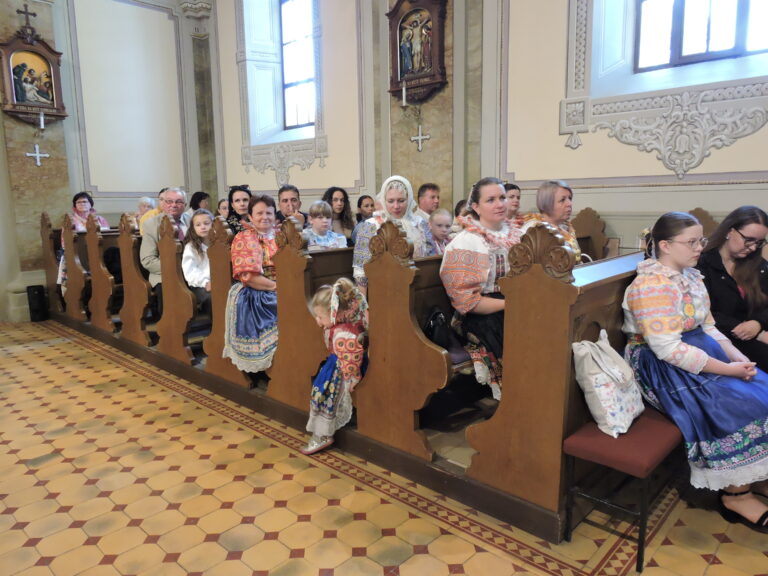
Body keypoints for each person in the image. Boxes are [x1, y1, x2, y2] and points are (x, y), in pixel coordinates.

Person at [623, 211, 768, 533]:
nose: (700, 248)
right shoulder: (650, 285)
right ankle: (736, 495)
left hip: (700, 349)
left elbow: (710, 327)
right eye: (691, 242)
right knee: (739, 404)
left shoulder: (691, 277)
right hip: (661, 366)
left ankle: (756, 476)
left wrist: (739, 359)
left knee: (762, 387)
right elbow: (667, 349)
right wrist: (727, 370)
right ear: (665, 245)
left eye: (701, 240)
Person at [440, 177, 521, 398]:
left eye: (502, 198)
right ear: (476, 207)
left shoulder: (517, 236)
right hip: (480, 315)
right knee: (517, 335)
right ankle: (515, 400)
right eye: (491, 200)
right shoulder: (466, 243)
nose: (500, 204)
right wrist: (511, 304)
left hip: (514, 303)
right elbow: (467, 302)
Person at [301, 277, 368, 455]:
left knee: (322, 394)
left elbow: (352, 360)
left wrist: (352, 378)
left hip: (342, 371)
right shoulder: (348, 321)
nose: (318, 321)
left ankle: (322, 434)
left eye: (320, 317)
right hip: (339, 364)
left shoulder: (343, 334)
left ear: (334, 313)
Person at [697, 206, 768, 372]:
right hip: (722, 336)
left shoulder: (759, 265)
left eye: (759, 242)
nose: (753, 247)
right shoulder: (703, 264)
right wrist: (755, 332)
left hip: (757, 330)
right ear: (730, 231)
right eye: (749, 240)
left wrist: (758, 323)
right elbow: (704, 312)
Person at [223, 194, 279, 372]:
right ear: (250, 217)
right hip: (257, 289)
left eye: (269, 213)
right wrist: (277, 287)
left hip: (284, 284)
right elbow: (248, 276)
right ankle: (276, 361)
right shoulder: (244, 238)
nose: (265, 217)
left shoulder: (282, 235)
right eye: (259, 213)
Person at [353, 175, 435, 296]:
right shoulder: (371, 226)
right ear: (383, 200)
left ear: (409, 199)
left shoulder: (420, 224)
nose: (396, 206)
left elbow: (429, 260)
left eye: (401, 200)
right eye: (391, 201)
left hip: (417, 288)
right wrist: (364, 303)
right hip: (382, 289)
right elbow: (361, 270)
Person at [140, 188, 188, 317]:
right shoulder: (151, 224)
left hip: (192, 273)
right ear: (163, 204)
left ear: (185, 204)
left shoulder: (193, 221)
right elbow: (148, 260)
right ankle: (168, 327)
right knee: (171, 302)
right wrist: (176, 269)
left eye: (179, 202)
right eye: (169, 201)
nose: (173, 205)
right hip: (164, 274)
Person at [57, 192, 111, 287]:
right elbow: (64, 241)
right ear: (75, 205)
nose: (82, 204)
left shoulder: (100, 219)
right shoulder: (70, 221)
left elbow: (108, 236)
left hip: (100, 250)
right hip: (78, 252)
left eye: (85, 201)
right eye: (79, 202)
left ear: (90, 204)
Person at [521, 180, 580, 258]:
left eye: (570, 198)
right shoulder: (534, 228)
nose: (569, 204)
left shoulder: (565, 227)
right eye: (562, 200)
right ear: (547, 203)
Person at [182, 209, 213, 315]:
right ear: (193, 228)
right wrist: (205, 282)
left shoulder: (219, 243)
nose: (203, 227)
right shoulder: (191, 247)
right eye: (198, 225)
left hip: (218, 282)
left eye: (206, 223)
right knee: (213, 298)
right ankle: (217, 323)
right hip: (200, 285)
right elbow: (190, 271)